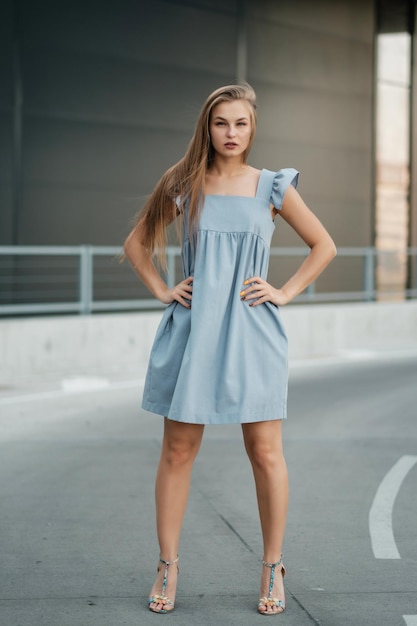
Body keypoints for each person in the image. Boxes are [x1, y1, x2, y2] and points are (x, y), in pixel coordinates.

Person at [124, 82, 336, 616]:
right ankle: (167, 566)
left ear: (252, 127)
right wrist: (163, 289)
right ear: (208, 127)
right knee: (176, 452)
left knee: (265, 454)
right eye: (222, 123)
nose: (231, 133)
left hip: (253, 334)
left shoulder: (272, 187)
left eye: (240, 123)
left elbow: (324, 245)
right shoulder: (183, 186)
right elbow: (136, 244)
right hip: (193, 333)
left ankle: (272, 566)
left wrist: (283, 291)